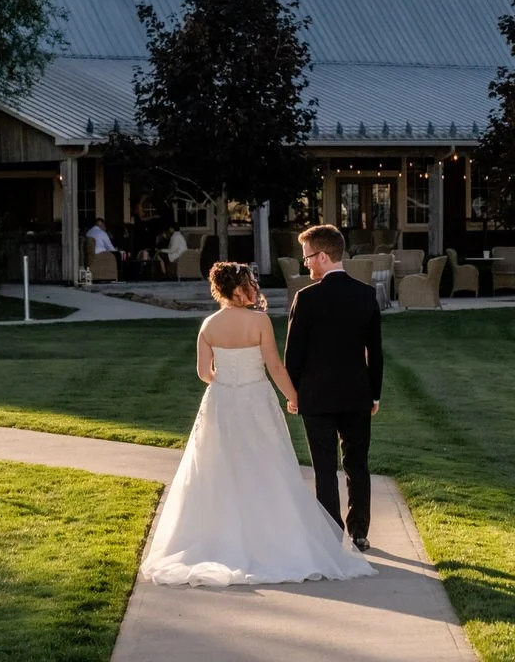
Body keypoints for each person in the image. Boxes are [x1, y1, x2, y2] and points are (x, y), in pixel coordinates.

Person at [139, 263, 376, 587]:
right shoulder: (259, 321)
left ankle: (223, 539)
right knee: (266, 465)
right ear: (238, 289)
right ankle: (272, 538)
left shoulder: (209, 325)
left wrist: (224, 381)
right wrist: (294, 397)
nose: (255, 288)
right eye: (250, 283)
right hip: (255, 400)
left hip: (221, 402)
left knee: (220, 467)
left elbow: (204, 373)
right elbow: (275, 366)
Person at [285, 223, 382, 553]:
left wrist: (293, 394)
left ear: (323, 256)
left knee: (324, 468)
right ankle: (359, 532)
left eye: (307, 257)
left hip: (316, 397)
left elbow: (294, 353)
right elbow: (375, 352)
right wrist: (374, 393)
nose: (306, 264)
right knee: (358, 464)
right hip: (357, 394)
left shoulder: (306, 298)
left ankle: (330, 534)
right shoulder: (365, 294)